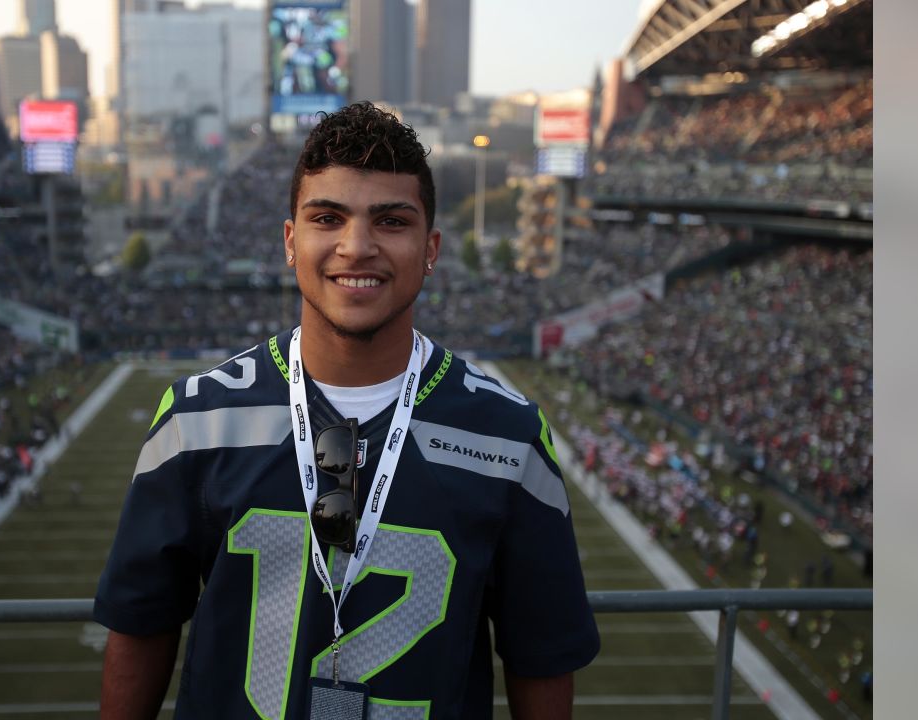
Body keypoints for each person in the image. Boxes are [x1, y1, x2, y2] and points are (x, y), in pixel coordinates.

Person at [94, 102, 600, 719]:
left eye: (391, 221)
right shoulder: (196, 418)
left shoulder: (510, 437)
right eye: (328, 217)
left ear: (431, 247)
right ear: (290, 240)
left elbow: (541, 658)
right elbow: (141, 627)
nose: (356, 247)